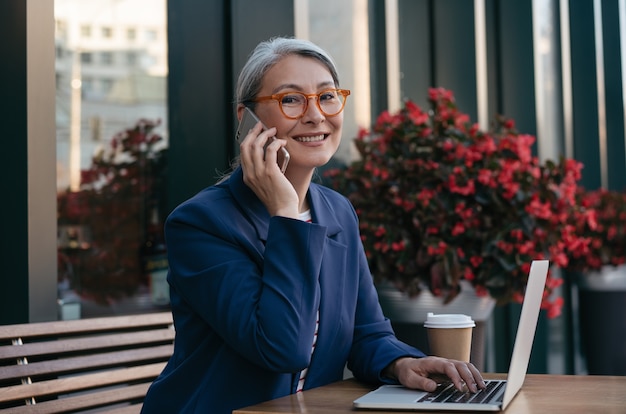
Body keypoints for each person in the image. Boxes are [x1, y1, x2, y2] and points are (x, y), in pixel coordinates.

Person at [141, 36, 485, 413]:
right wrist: (286, 212)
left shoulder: (337, 212)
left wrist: (401, 363)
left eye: (327, 96)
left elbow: (366, 333)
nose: (316, 115)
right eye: (290, 99)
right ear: (247, 120)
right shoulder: (200, 223)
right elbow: (283, 347)